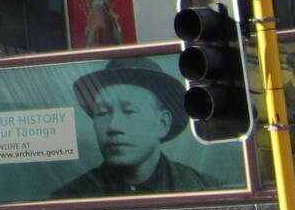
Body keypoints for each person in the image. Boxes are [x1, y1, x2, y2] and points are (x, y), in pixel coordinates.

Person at [56, 60, 217, 197]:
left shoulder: (205, 190)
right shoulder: (71, 197)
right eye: (102, 113)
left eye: (129, 111)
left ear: (163, 124)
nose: (113, 126)